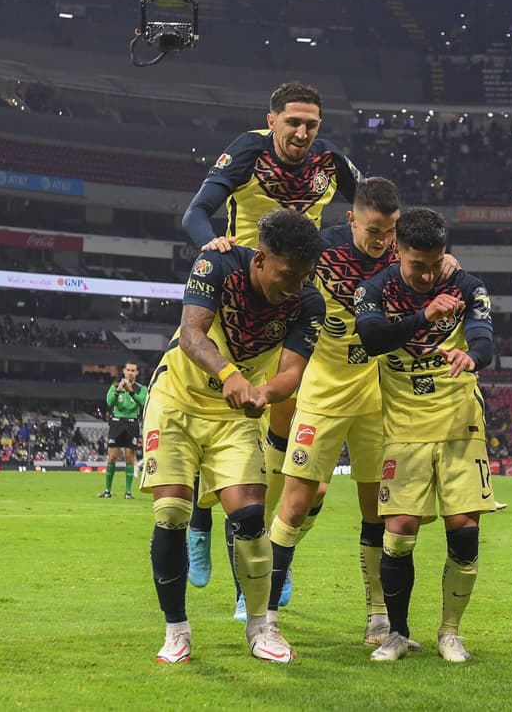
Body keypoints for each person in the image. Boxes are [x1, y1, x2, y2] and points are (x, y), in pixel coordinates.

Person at [181, 81, 360, 603]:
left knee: (286, 435)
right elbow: (195, 213)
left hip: (300, 303)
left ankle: (273, 557)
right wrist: (208, 244)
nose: (302, 133)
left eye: (312, 125)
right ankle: (199, 518)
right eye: (293, 123)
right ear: (272, 120)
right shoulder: (247, 151)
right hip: (237, 297)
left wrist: (415, 247)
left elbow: (370, 202)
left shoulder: (331, 162)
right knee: (227, 425)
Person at [140, 209, 325, 665]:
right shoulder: (217, 266)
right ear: (260, 259)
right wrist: (229, 373)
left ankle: (260, 627)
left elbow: (293, 372)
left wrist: (264, 391)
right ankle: (176, 631)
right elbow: (191, 334)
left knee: (248, 521)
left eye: (303, 276)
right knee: (171, 513)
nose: (295, 286)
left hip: (236, 415)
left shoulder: (308, 303)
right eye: (287, 274)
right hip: (177, 402)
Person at [353, 208, 496, 663]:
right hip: (403, 430)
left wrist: (473, 356)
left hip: (460, 424)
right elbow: (372, 339)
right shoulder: (374, 289)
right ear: (398, 252)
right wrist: (424, 314)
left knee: (465, 530)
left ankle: (450, 632)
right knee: (397, 533)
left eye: (435, 264)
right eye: (418, 265)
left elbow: (484, 337)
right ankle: (396, 633)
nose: (428, 274)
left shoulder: (467, 286)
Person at [265, 177, 402, 649]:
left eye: (388, 230)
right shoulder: (320, 255)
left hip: (375, 398)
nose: (381, 240)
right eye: (372, 230)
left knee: (376, 511)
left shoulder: (401, 260)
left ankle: (378, 616)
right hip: (321, 392)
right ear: (351, 220)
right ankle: (264, 615)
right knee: (296, 503)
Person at [98, 362, 148, 499]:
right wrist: (118, 390)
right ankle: (107, 491)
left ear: (137, 373)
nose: (130, 372)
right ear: (124, 371)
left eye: (133, 370)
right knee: (112, 456)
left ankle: (128, 492)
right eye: (128, 370)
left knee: (129, 457)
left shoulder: (141, 388)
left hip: (132, 423)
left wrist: (130, 391)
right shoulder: (115, 386)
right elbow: (109, 402)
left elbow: (143, 402)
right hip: (117, 423)